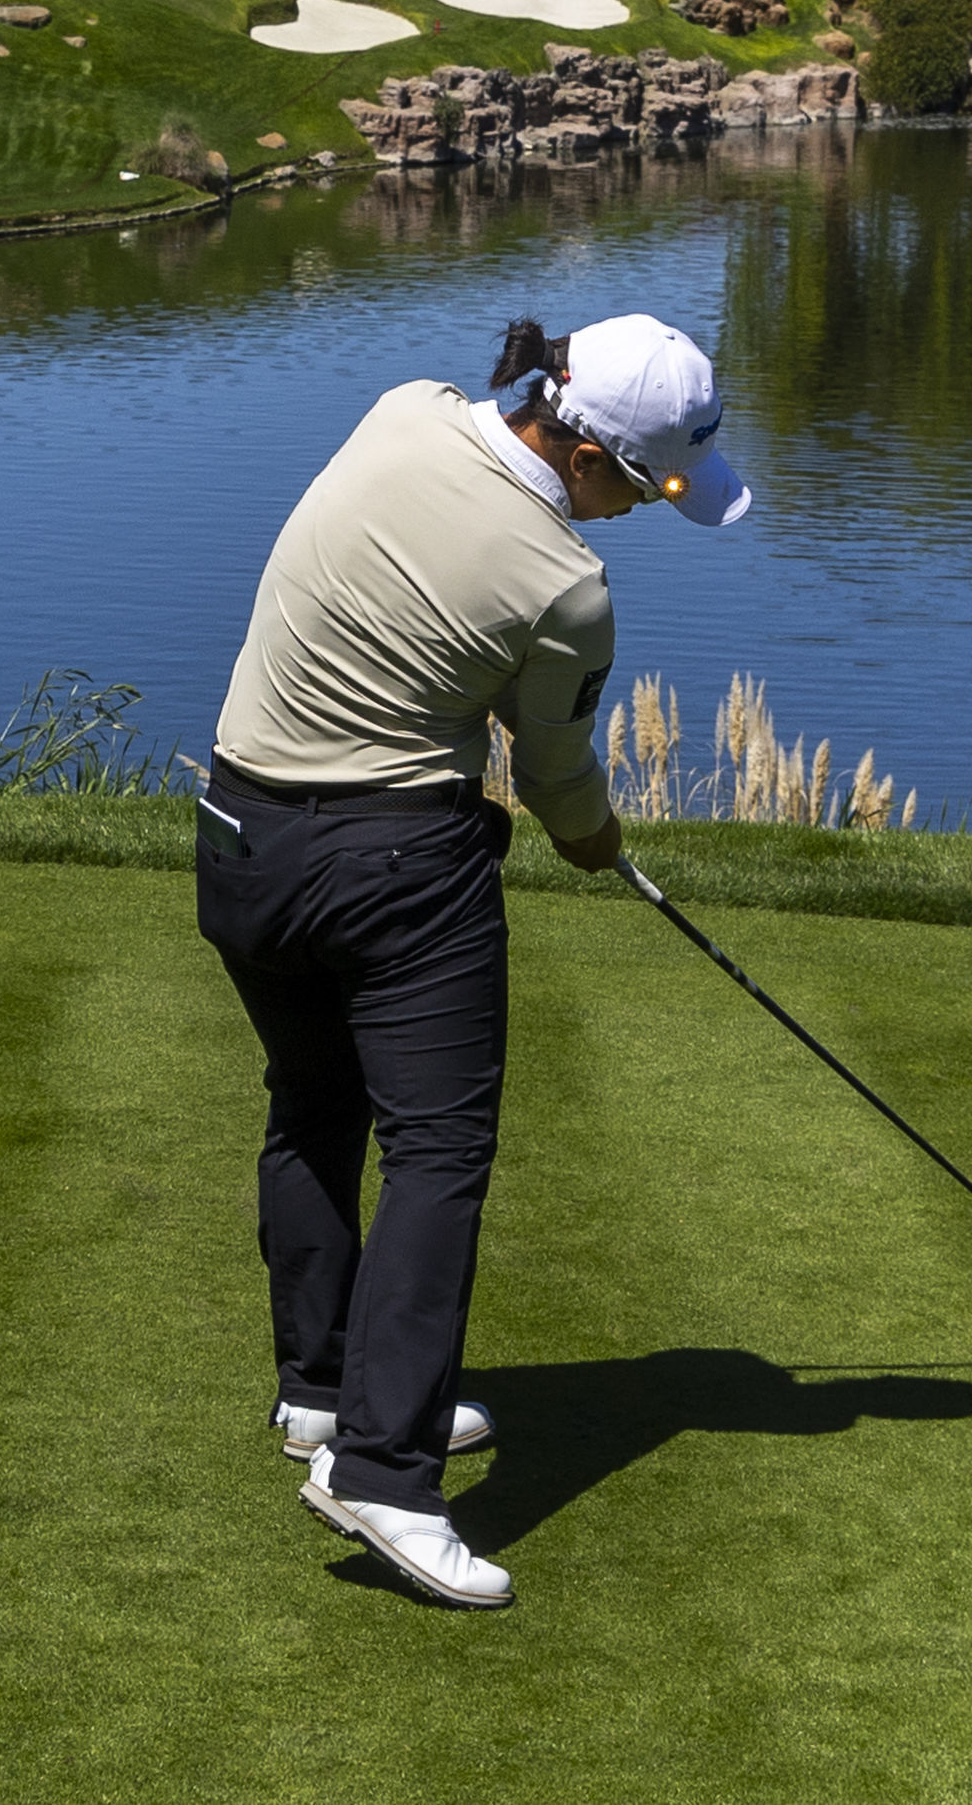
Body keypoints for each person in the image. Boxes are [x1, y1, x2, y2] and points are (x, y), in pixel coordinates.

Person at [197, 311, 751, 1608]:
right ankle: (381, 1475)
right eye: (651, 489)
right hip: (388, 868)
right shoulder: (566, 587)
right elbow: (553, 776)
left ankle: (324, 1395)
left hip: (233, 837)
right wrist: (599, 839)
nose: (637, 516)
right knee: (439, 1153)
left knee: (316, 1104)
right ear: (599, 457)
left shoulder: (404, 406)